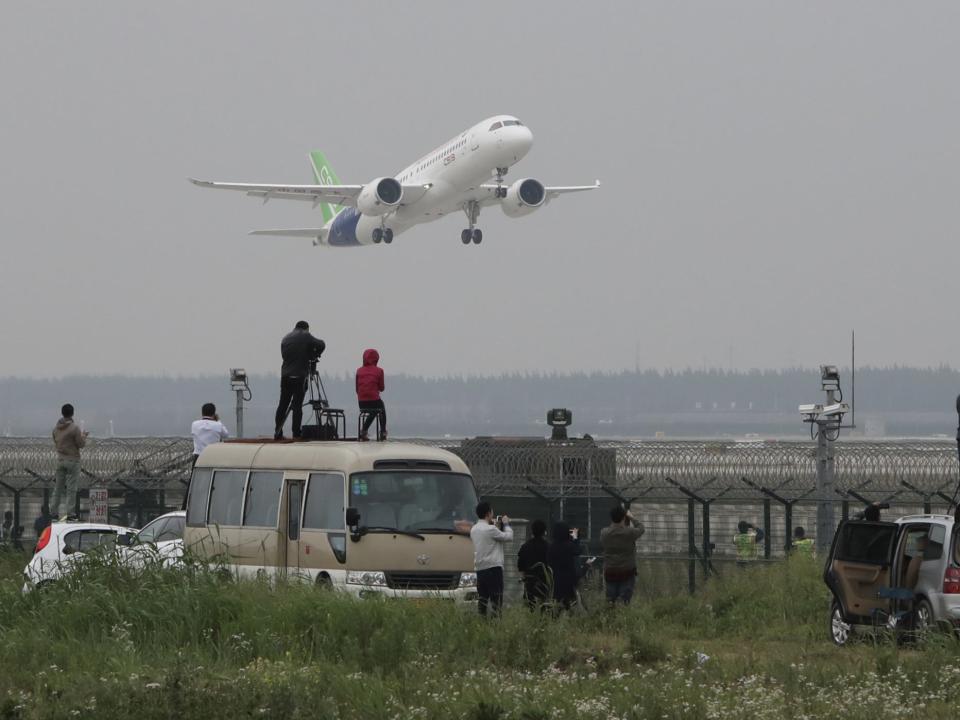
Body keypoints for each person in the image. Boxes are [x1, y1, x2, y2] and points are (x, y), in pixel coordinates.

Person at [274, 321, 326, 440]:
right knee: (297, 406)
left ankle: (278, 431)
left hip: (286, 375)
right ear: (306, 328)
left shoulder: (286, 338)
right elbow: (321, 344)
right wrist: (314, 354)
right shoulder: (305, 335)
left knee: (283, 404)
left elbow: (284, 355)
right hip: (300, 376)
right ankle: (296, 433)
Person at [469, 502, 513, 617]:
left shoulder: (473, 529)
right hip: (493, 569)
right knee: (496, 600)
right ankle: (496, 625)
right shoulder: (491, 529)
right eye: (492, 512)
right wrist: (506, 524)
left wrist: (494, 525)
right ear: (488, 513)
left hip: (480, 569)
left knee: (483, 599)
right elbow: (508, 537)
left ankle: (482, 623)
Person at [600, 505, 646, 605]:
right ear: (624, 517)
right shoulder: (629, 532)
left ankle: (609, 619)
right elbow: (641, 528)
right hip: (627, 571)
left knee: (610, 601)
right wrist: (632, 517)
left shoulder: (604, 533)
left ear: (611, 517)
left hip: (610, 571)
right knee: (624, 602)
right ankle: (622, 619)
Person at [52, 403, 88, 521]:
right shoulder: (74, 428)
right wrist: (83, 436)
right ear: (72, 413)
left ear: (62, 413)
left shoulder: (56, 428)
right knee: (71, 489)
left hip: (60, 460)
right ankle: (70, 514)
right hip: (72, 460)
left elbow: (56, 442)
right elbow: (81, 444)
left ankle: (53, 512)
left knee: (58, 487)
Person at [547, 521, 581, 611]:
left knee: (557, 601)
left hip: (555, 578)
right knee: (571, 602)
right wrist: (575, 538)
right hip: (569, 579)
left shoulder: (551, 546)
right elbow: (577, 551)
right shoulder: (569, 545)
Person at [517, 519, 550, 609]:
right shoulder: (548, 547)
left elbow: (520, 565)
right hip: (544, 583)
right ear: (544, 532)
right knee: (544, 606)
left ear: (532, 531)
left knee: (530, 606)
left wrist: (524, 576)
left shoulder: (525, 546)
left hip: (529, 583)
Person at [356, 349, 387, 441]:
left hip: (361, 403)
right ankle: (383, 431)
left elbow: (357, 389)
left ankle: (364, 431)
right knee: (380, 407)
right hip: (374, 401)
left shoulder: (359, 371)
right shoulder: (379, 371)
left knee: (374, 411)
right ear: (376, 359)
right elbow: (382, 388)